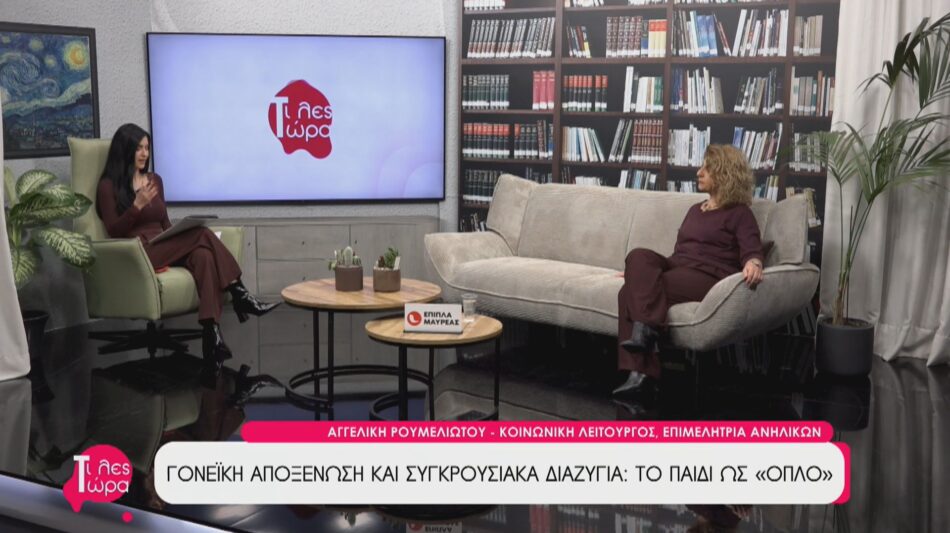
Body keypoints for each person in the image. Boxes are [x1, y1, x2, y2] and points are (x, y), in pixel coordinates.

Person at [96, 123, 279, 361]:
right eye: (139, 148)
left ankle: (211, 335)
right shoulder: (108, 186)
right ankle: (239, 292)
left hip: (162, 245)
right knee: (201, 234)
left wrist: (177, 236)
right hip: (138, 252)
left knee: (204, 255)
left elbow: (164, 221)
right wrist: (137, 206)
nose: (145, 154)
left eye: (147, 148)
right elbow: (114, 231)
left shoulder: (154, 180)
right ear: (125, 150)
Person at [615, 144, 764, 395]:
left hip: (708, 273)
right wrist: (639, 274)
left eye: (707, 168)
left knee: (625, 293)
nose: (699, 172)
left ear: (724, 174)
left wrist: (754, 262)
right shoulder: (695, 210)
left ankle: (640, 373)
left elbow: (752, 248)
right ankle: (645, 340)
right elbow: (679, 252)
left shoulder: (740, 214)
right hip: (679, 264)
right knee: (637, 256)